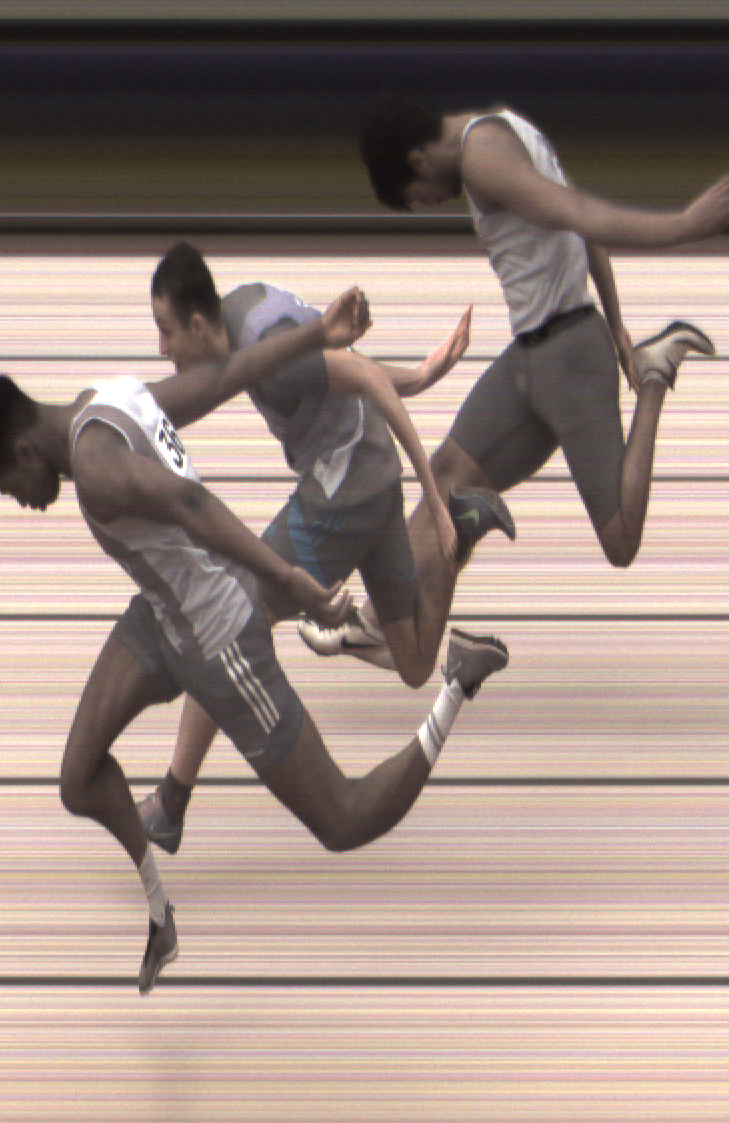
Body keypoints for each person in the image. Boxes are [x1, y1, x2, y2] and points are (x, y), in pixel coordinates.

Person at [0, 285, 509, 996]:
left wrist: (288, 578)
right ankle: (161, 914)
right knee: (77, 777)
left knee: (342, 819)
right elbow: (223, 380)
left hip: (217, 636)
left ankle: (458, 683)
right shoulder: (109, 396)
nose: (22, 501)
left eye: (10, 487)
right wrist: (312, 335)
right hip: (158, 620)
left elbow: (191, 504)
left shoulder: (96, 468)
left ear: (22, 450)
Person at [138, 242, 515, 856]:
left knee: (224, 619)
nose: (161, 348)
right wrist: (424, 373)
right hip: (376, 477)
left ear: (199, 325)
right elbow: (343, 365)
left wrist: (433, 497)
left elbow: (359, 377)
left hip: (342, 497)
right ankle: (465, 557)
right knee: (416, 662)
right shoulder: (250, 304)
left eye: (165, 330)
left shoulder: (266, 349)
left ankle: (170, 804)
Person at [346, 97, 729, 663]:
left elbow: (581, 214)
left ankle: (658, 376)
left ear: (417, 160)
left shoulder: (481, 156)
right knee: (446, 475)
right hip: (530, 357)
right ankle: (378, 618)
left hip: (567, 358)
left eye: (419, 197)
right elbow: (579, 225)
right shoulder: (506, 126)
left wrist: (684, 226)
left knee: (620, 539)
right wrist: (618, 325)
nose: (432, 203)